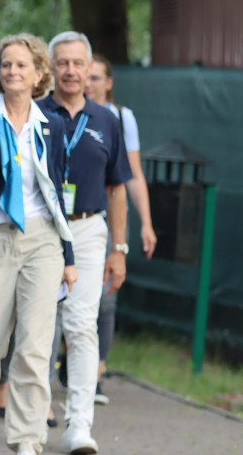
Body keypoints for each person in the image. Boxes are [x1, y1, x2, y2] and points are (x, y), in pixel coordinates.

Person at [0, 34, 78, 455]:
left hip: (42, 241)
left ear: (39, 74)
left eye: (21, 65)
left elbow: (58, 193)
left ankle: (27, 439)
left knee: (34, 345)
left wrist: (69, 256)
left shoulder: (52, 124)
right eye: (6, 64)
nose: (11, 72)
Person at [38, 31, 131, 455]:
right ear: (50, 68)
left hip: (89, 228)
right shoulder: (36, 114)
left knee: (80, 325)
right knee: (37, 326)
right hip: (40, 228)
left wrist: (119, 248)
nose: (72, 71)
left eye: (79, 64)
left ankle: (79, 423)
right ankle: (35, 414)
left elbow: (117, 189)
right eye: (63, 63)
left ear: (90, 69)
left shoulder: (107, 119)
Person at [86, 54, 157, 403]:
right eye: (87, 76)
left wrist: (145, 222)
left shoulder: (121, 117)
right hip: (76, 216)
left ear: (109, 82)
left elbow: (133, 174)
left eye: (96, 77)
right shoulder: (62, 112)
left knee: (105, 299)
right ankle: (70, 361)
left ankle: (96, 371)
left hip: (110, 217)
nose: (89, 83)